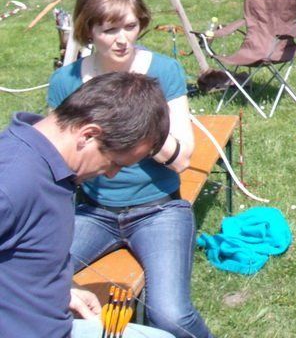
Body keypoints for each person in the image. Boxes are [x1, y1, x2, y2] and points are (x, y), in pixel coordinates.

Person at [48, 0, 214, 338]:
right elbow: (56, 160)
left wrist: (138, 125)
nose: (122, 39)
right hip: (93, 212)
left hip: (158, 211)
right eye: (109, 30)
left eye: (130, 26)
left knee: (169, 316)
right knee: (36, 282)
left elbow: (182, 159)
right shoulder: (66, 81)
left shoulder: (163, 71)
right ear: (89, 31)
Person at [1, 70, 173, 338]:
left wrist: (63, 289)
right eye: (115, 163)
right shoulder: (12, 181)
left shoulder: (53, 167)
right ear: (88, 135)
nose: (112, 174)